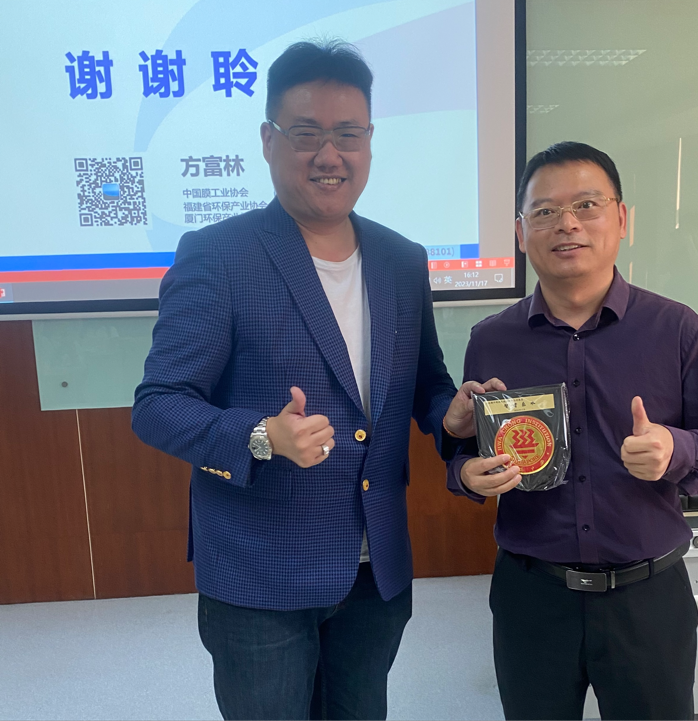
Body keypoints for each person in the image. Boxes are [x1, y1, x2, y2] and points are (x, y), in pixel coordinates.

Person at [132, 40, 501, 721]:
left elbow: (426, 381)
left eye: (348, 134)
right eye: (306, 134)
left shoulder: (400, 259)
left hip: (375, 572)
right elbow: (158, 406)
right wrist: (260, 435)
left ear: (369, 141)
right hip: (259, 574)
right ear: (268, 140)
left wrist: (450, 414)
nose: (330, 154)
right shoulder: (217, 255)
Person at [447, 141, 698, 721]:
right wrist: (467, 475)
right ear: (521, 232)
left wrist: (676, 449)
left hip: (648, 600)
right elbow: (463, 454)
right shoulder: (491, 340)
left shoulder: (676, 329)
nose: (567, 224)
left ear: (621, 218)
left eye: (586, 205)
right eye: (544, 211)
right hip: (532, 599)